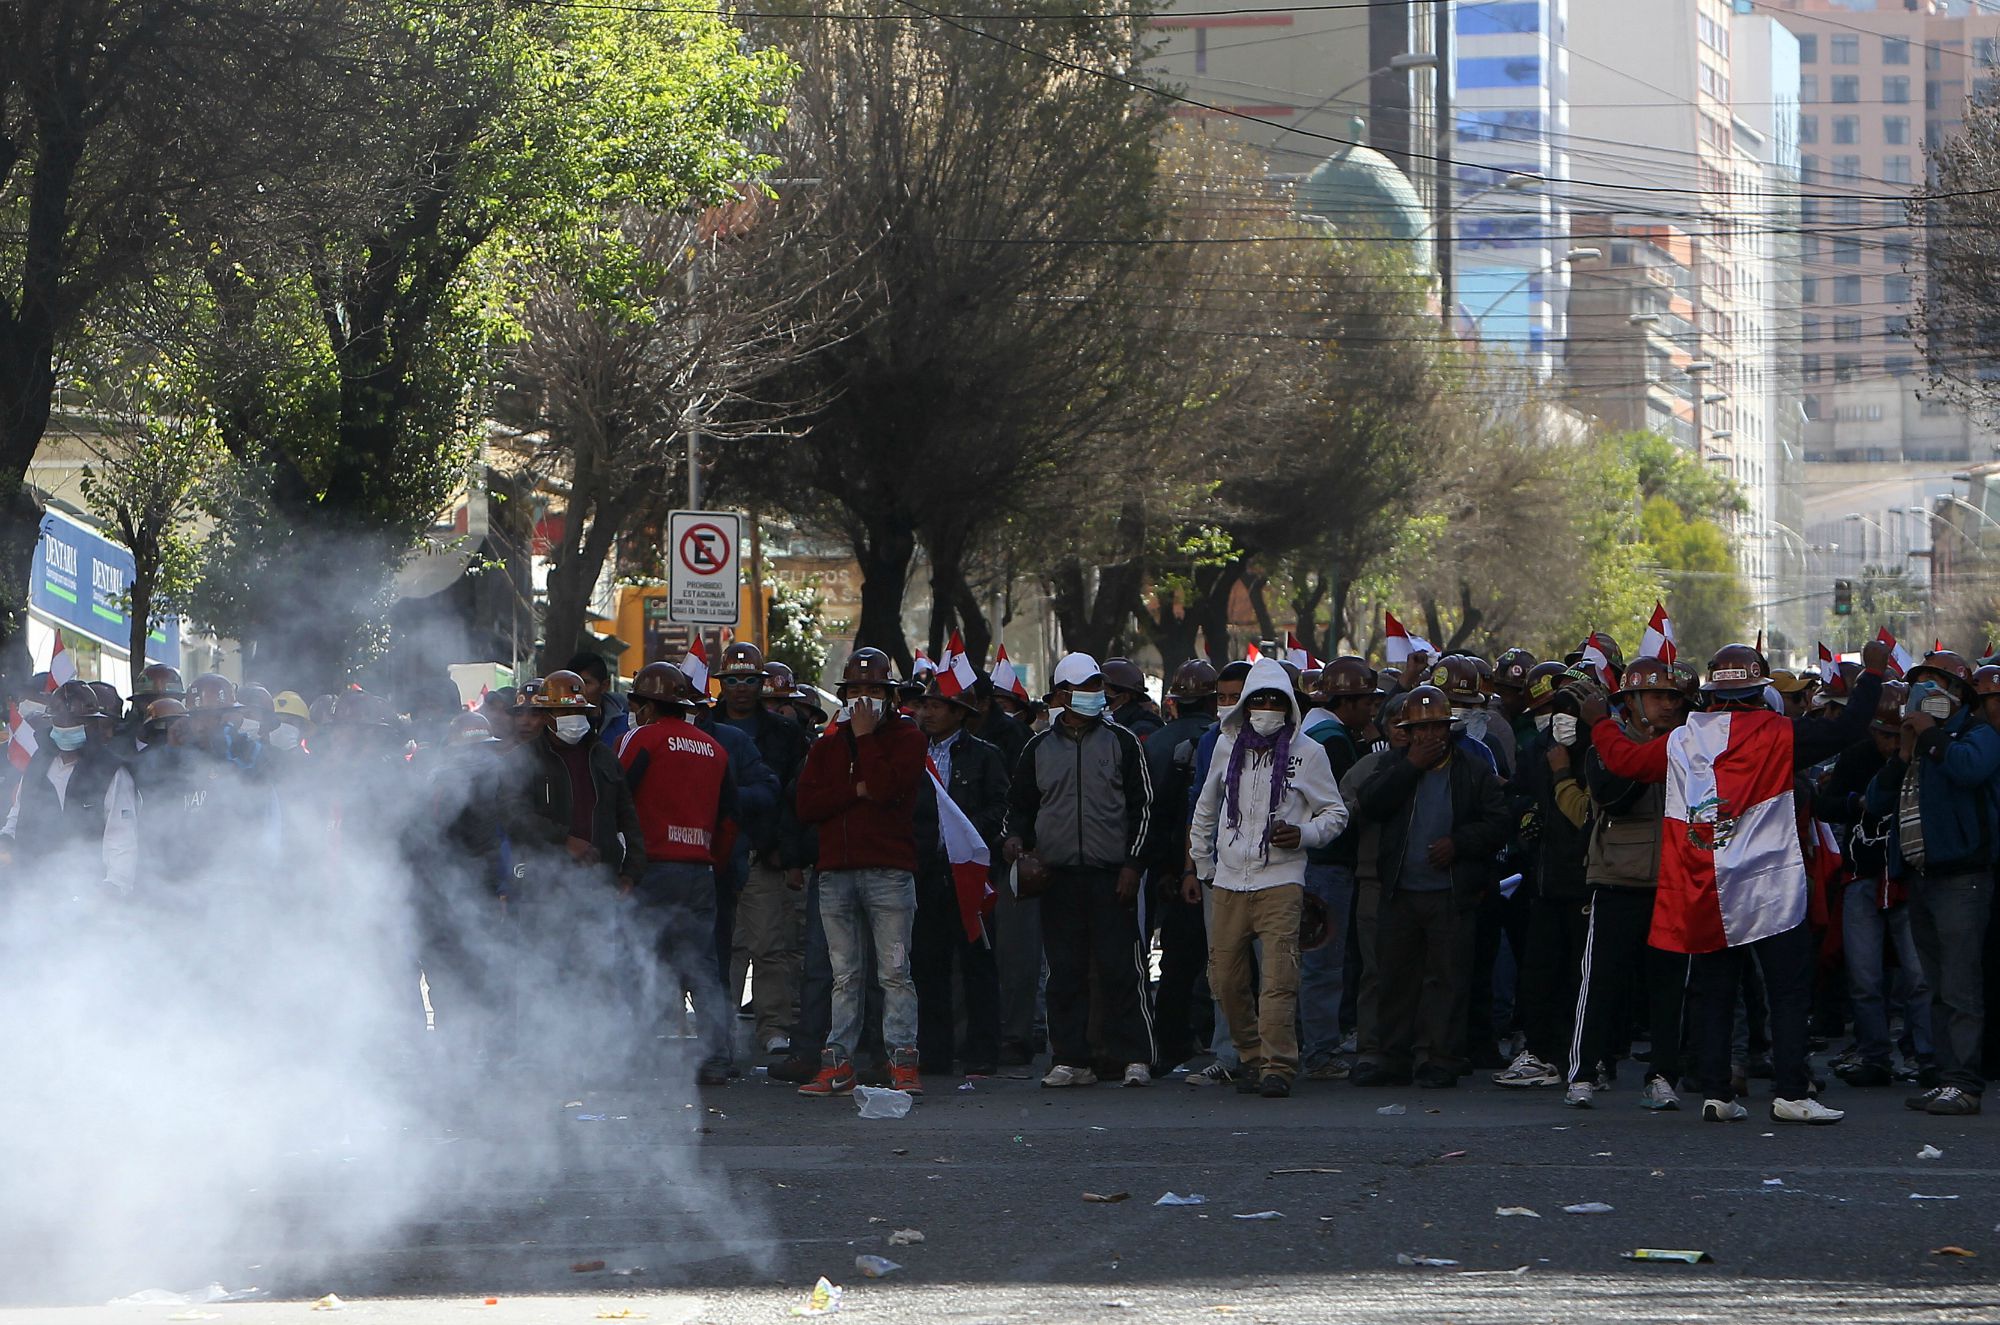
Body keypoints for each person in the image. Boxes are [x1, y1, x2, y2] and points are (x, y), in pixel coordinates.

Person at [1583, 640, 1884, 1125]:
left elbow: (1625, 762)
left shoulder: (1682, 739)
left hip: (1705, 887)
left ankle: (1717, 1093)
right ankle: (1790, 1091)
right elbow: (1850, 728)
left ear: (1711, 692)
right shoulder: (1780, 732)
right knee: (1786, 990)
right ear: (1759, 687)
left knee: (1714, 990)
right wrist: (1870, 674)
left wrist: (1599, 720)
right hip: (1769, 887)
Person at [1186, 657, 1347, 1097]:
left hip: (1280, 880)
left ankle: (1277, 1067)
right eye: (1260, 699)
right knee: (1225, 979)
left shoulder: (1308, 752)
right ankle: (1252, 1057)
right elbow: (1206, 807)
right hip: (1229, 881)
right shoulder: (1225, 745)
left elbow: (1336, 813)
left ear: (1290, 705)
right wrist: (1203, 865)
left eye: (1277, 699)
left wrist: (1304, 834)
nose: (1268, 707)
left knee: (1278, 980)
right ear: (1245, 704)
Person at [1003, 653, 1157, 1088]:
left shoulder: (1123, 743)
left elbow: (1143, 809)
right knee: (1065, 972)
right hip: (1058, 877)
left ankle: (1135, 1057)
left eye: (1098, 686)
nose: (1096, 695)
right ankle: (1071, 1058)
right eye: (1086, 687)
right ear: (1062, 694)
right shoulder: (1037, 748)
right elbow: (1020, 807)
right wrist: (1013, 840)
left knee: (1121, 969)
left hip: (1112, 876)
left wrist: (1133, 864)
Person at [1355, 685, 1511, 1088]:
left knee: (1448, 980)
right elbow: (1369, 803)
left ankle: (1440, 1058)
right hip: (1400, 891)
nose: (1428, 737)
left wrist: (1459, 844)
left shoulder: (1472, 769)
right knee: (1394, 979)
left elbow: (1498, 823)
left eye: (1436, 728)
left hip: (1449, 892)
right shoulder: (1393, 764)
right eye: (1419, 730)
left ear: (1449, 729)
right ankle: (1393, 1057)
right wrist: (1409, 766)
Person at [1865, 653, 2000, 1117]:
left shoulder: (1979, 736)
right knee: (1937, 985)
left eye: (1932, 686)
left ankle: (1965, 1083)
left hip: (1963, 878)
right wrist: (1903, 755)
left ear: (1957, 693)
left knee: (1961, 987)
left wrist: (1931, 735)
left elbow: (1968, 770)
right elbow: (1875, 800)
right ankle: (1946, 1078)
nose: (1921, 696)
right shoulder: (1919, 743)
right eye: (1916, 687)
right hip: (1921, 878)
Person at [792, 647, 929, 1098]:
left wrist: (867, 740)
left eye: (873, 690)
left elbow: (890, 789)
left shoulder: (908, 737)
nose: (863, 698)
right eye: (855, 690)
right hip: (835, 873)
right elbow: (807, 805)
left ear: (889, 695)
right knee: (844, 974)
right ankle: (838, 1062)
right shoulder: (827, 744)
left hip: (889, 872)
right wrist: (857, 788)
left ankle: (903, 1061)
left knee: (894, 972)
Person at [1562, 658, 1692, 1110]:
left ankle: (1662, 1075)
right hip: (1617, 876)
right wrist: (1647, 756)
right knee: (1600, 981)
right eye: (1658, 696)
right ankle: (1581, 1071)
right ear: (1632, 703)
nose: (1668, 706)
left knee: (1668, 986)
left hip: (1672, 882)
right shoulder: (1606, 745)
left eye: (1674, 697)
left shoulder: (1689, 744)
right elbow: (1610, 795)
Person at [621, 661, 740, 1086]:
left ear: (650, 706)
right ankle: (716, 1057)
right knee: (702, 965)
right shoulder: (715, 749)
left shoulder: (641, 740)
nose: (634, 711)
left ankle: (638, 1056)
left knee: (641, 960)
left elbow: (616, 797)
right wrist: (713, 860)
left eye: (636, 703)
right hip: (700, 870)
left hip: (651, 867)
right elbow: (730, 817)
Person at [1815, 680, 1933, 1088]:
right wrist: (1853, 803)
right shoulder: (1857, 757)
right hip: (1862, 874)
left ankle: (1924, 1053)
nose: (1888, 744)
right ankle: (1874, 1053)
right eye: (1881, 735)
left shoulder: (1928, 760)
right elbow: (1824, 804)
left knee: (1918, 976)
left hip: (1908, 876)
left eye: (1895, 735)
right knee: (1864, 975)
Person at [1497, 661, 1597, 1101]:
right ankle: (1540, 1052)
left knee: (1583, 976)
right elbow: (1520, 791)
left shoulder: (1599, 751)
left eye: (1570, 708)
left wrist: (1563, 773)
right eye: (1555, 708)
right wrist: (1526, 813)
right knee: (1539, 970)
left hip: (1589, 879)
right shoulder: (1540, 747)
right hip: (1544, 877)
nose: (1560, 718)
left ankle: (1587, 1058)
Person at [712, 642, 812, 1059]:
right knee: (723, 947)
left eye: (749, 679)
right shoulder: (704, 727)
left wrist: (785, 852)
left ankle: (774, 1026)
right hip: (716, 852)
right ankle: (720, 1028)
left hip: (762, 853)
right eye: (732, 680)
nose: (740, 688)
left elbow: (796, 796)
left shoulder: (786, 733)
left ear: (761, 683)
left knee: (769, 944)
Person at [911, 676, 1010, 1075]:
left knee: (977, 963)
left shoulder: (984, 756)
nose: (926, 713)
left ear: (959, 713)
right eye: (924, 705)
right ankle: (933, 1052)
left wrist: (966, 834)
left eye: (936, 706)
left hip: (968, 872)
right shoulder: (913, 753)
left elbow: (1001, 807)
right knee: (926, 964)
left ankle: (983, 1052)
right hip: (925, 870)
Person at [1297, 657, 1378, 1079]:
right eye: (1366, 701)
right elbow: (1342, 808)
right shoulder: (1332, 741)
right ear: (1346, 700)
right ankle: (1319, 1051)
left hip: (1304, 861)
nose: (1372, 709)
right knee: (1323, 963)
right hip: (1327, 864)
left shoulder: (1311, 731)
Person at [1145, 658, 1221, 1073]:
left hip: (1168, 869)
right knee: (1218, 957)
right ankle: (1198, 1033)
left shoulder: (1154, 743)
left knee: (1176, 959)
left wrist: (1164, 870)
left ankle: (1170, 1037)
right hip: (1208, 867)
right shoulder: (1217, 741)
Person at [0, 680, 137, 893]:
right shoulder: (38, 763)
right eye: (60, 721)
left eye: (73, 721)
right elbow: (18, 815)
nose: (65, 727)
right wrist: (5, 840)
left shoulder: (111, 771)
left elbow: (121, 839)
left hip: (89, 894)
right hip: (33, 890)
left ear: (92, 725)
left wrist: (115, 887)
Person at [567, 651, 631, 747]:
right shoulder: (556, 723)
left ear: (604, 686)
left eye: (585, 683)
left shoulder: (625, 726)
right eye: (572, 683)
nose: (577, 690)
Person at [1102, 658, 1164, 741]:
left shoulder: (1141, 730)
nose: (1101, 697)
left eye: (1105, 692)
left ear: (1125, 697)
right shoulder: (1114, 723)